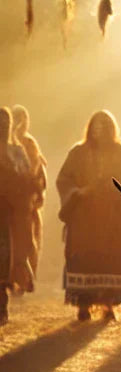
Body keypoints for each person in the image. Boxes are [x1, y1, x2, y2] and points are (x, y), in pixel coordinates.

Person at [56, 110, 121, 322]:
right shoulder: (77, 152)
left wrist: (115, 192)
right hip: (84, 219)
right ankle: (83, 305)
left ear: (112, 129)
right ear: (90, 129)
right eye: (96, 126)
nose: (100, 131)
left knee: (112, 259)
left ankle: (108, 304)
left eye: (105, 127)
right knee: (84, 258)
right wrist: (78, 193)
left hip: (114, 220)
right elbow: (63, 180)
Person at [0, 108, 33, 325]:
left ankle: (2, 305)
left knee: (7, 260)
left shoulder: (18, 152)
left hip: (11, 215)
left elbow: (28, 178)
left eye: (5, 122)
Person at [11, 104, 46, 289]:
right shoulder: (7, 144)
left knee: (27, 238)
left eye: (22, 118)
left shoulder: (28, 143)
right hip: (8, 201)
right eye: (15, 118)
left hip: (26, 200)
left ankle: (26, 276)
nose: (19, 122)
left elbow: (35, 170)